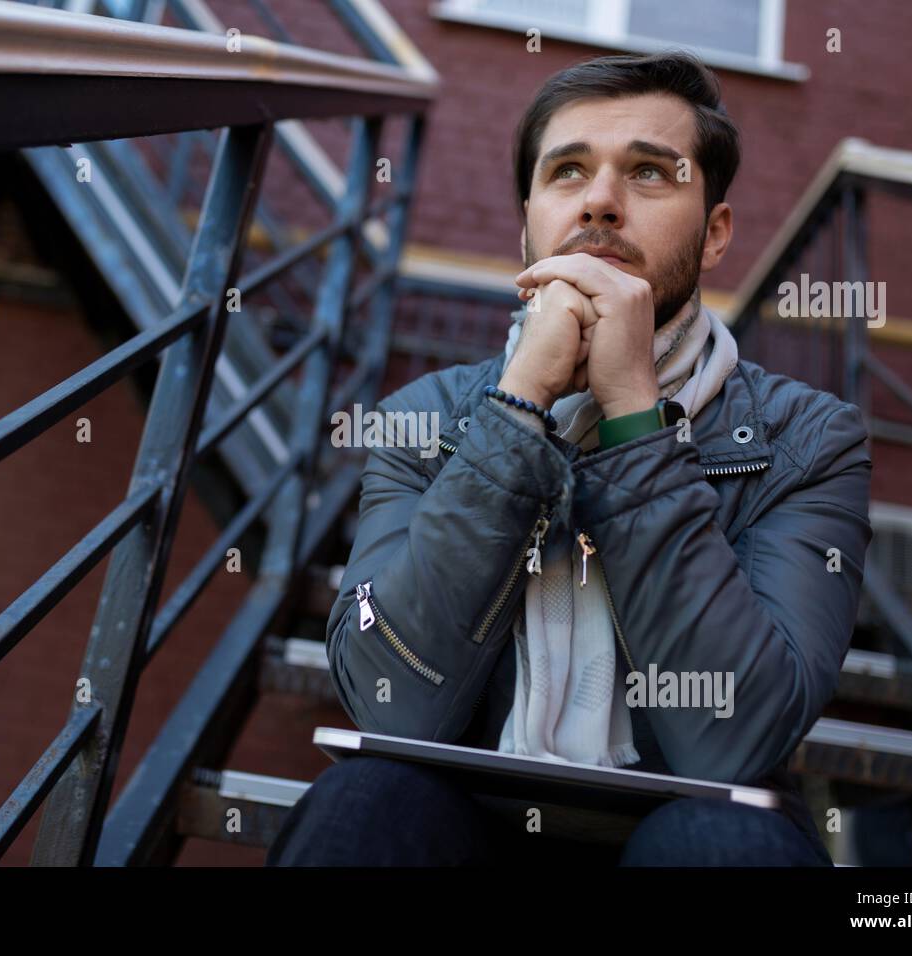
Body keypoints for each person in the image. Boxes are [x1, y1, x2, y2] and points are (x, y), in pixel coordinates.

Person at [267, 51, 872, 867]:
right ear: (528, 225)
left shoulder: (811, 440)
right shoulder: (423, 420)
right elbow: (391, 703)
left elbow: (734, 738)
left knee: (722, 846)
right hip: (460, 818)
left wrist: (633, 418)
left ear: (716, 233)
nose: (600, 201)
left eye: (651, 173)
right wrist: (517, 407)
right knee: (366, 803)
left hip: (686, 824)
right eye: (568, 172)